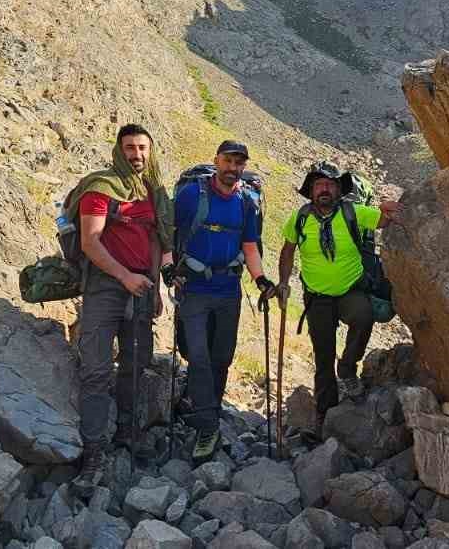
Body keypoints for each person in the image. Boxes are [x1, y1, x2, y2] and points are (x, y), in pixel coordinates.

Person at [68, 123, 174, 496]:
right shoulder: (100, 188)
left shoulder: (153, 191)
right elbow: (91, 241)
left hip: (143, 288)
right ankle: (94, 451)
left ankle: (130, 434)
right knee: (96, 369)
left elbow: (158, 241)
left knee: (135, 364)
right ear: (119, 149)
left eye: (143, 147)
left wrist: (155, 288)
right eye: (130, 147)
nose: (137, 154)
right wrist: (124, 275)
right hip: (105, 288)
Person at [168, 140, 275, 463]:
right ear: (216, 161)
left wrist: (260, 279)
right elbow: (167, 231)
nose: (233, 168)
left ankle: (207, 410)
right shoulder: (191, 195)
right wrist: (166, 267)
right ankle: (207, 427)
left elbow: (250, 245)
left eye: (239, 163)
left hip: (229, 290)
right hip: (194, 287)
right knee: (197, 355)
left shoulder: (247, 202)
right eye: (228, 161)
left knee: (221, 357)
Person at [275, 161, 400, 429]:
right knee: (323, 355)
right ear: (310, 190)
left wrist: (390, 206)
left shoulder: (352, 212)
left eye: (330, 185)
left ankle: (347, 367)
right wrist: (283, 282)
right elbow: (287, 251)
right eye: (319, 185)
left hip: (349, 289)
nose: (325, 190)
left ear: (338, 191)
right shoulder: (300, 218)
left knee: (363, 316)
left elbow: (384, 218)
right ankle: (325, 412)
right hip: (317, 296)